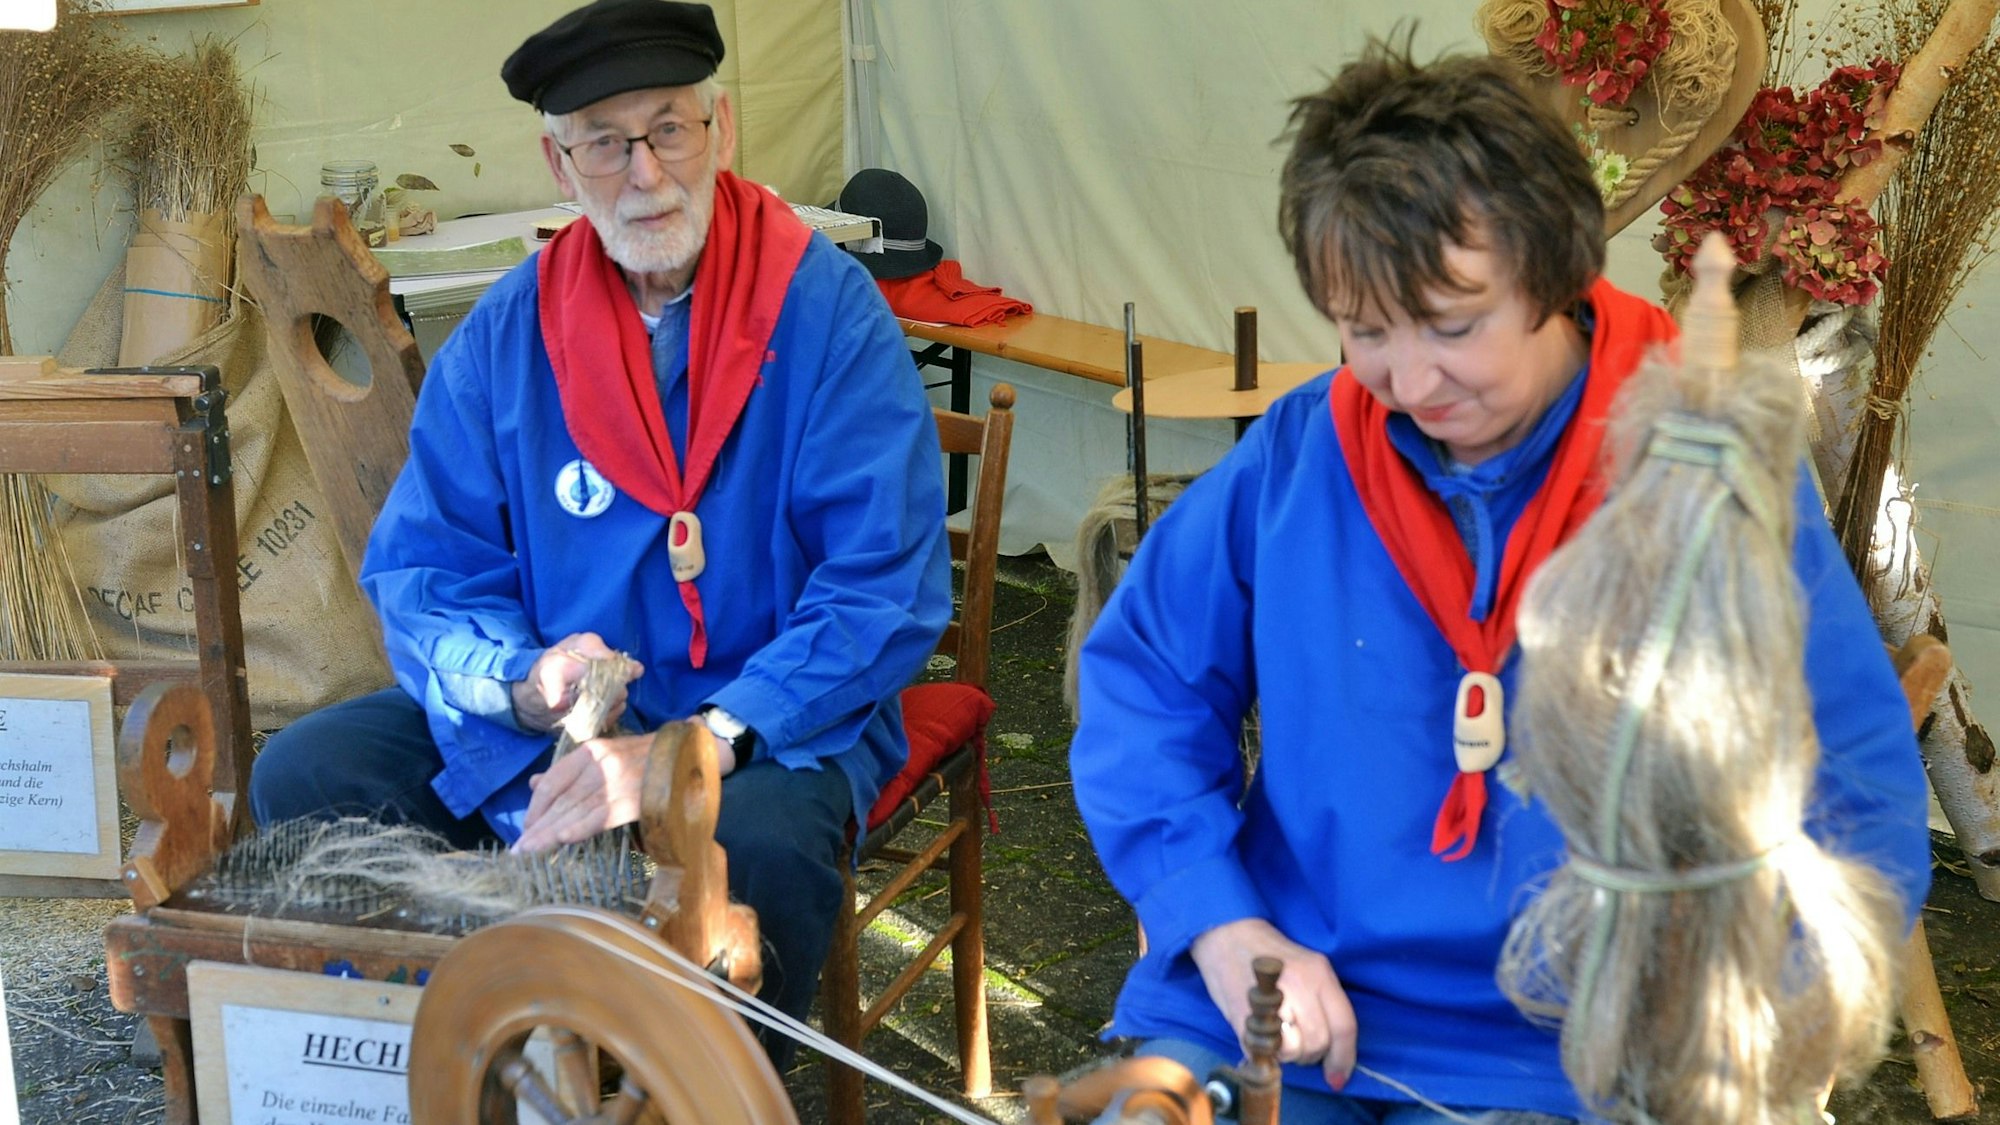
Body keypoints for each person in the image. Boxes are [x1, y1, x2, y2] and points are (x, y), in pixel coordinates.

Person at [1068, 39, 1931, 1124]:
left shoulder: (1698, 465)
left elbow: (1852, 777)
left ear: (1557, 273)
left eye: (1453, 324)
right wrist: (1221, 924)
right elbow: (1143, 682)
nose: (1409, 380)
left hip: (1576, 1052)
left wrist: (1746, 1025)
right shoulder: (1302, 454)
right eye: (1365, 330)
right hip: (1293, 999)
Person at [249, 0, 952, 1057]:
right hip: (565, 723)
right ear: (558, 162)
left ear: (721, 130)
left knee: (755, 853)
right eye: (606, 143)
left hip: (768, 711)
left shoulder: (825, 311)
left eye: (668, 129)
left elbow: (881, 586)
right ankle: (488, 1055)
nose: (645, 173)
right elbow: (427, 569)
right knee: (308, 774)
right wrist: (520, 683)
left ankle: (695, 1093)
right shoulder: (509, 330)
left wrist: (697, 744)